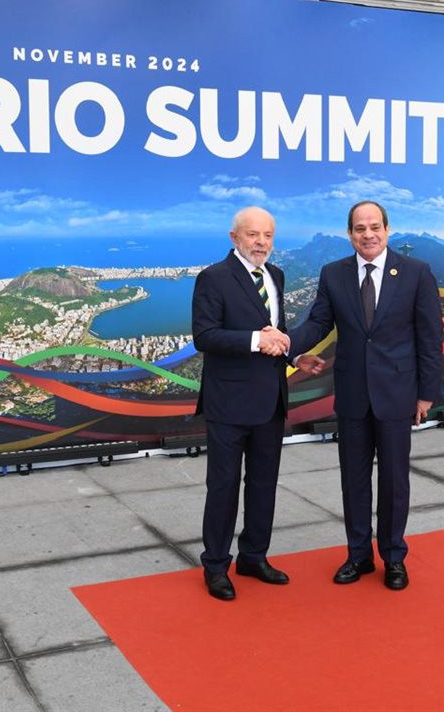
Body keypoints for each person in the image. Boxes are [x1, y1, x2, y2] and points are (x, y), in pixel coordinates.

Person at [287, 200, 443, 591]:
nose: (368, 234)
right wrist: (287, 344)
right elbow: (318, 323)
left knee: (394, 481)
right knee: (353, 480)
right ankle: (358, 555)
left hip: (398, 394)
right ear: (350, 234)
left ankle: (393, 557)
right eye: (360, 228)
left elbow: (430, 337)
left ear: (387, 230)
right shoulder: (333, 274)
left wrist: (426, 393)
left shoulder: (416, 272)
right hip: (353, 394)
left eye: (375, 227)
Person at [191, 206, 293, 601]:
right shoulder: (213, 278)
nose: (261, 242)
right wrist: (255, 340)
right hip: (228, 403)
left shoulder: (276, 275)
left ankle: (254, 556)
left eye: (267, 235)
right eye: (253, 234)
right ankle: (216, 565)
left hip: (271, 401)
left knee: (264, 485)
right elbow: (205, 336)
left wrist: (296, 356)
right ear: (234, 237)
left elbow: (278, 333)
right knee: (224, 486)